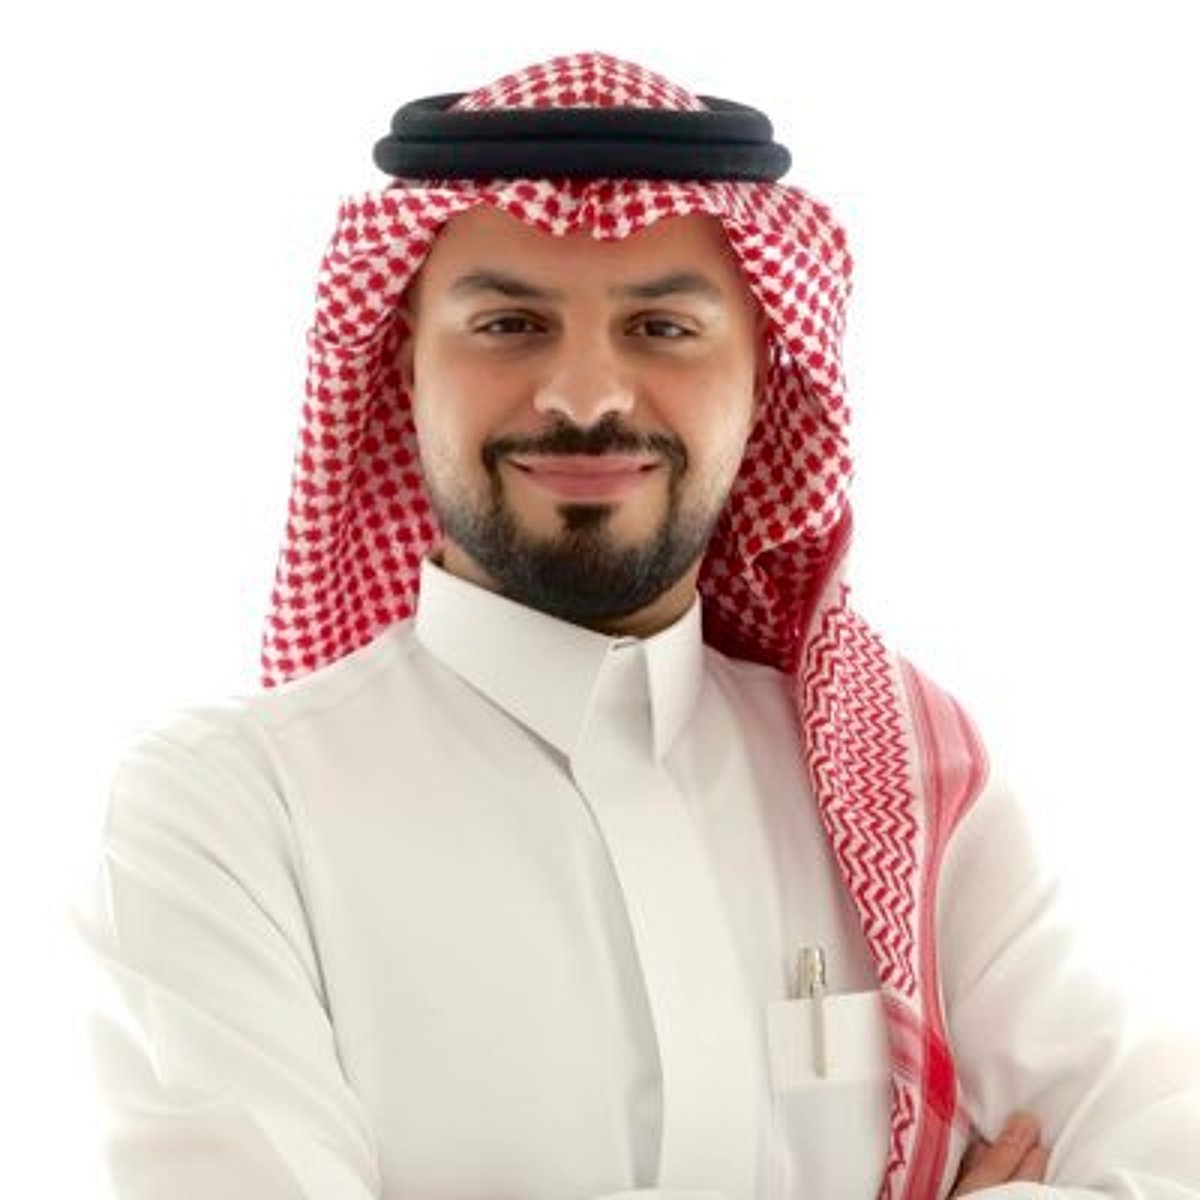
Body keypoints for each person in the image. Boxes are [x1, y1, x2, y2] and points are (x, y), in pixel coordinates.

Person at [71, 52, 1200, 1200]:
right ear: (403, 360)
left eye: (661, 326)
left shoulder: (905, 779)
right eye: (509, 323)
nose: (586, 396)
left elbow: (1169, 1149)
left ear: (763, 367)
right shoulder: (229, 815)